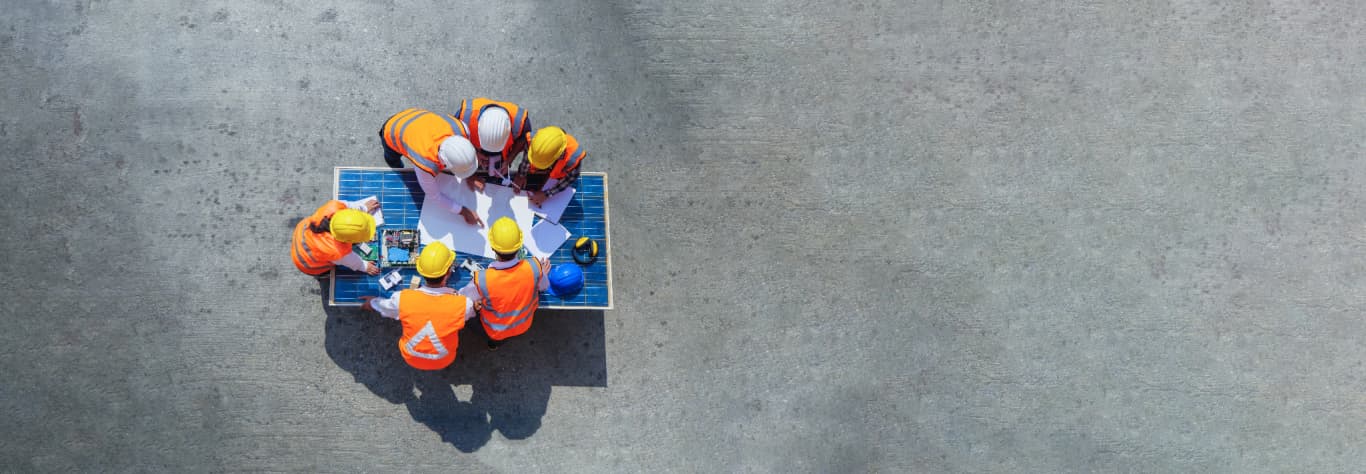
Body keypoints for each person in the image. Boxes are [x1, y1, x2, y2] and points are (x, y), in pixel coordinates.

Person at [360, 242, 479, 370]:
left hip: (410, 357)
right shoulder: (463, 304)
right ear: (449, 272)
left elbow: (385, 307)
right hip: (444, 360)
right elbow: (471, 312)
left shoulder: (403, 299)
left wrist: (372, 303)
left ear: (420, 270)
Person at [380, 108, 483, 227]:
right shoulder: (425, 163)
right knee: (393, 160)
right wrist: (463, 211)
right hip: (392, 129)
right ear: (445, 163)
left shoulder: (462, 130)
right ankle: (397, 168)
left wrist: (470, 173)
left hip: (415, 115)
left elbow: (463, 154)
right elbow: (435, 196)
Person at [459, 217, 549, 350]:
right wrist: (541, 272)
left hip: (496, 331)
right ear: (519, 245)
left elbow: (463, 298)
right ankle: (494, 344)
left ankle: (493, 343)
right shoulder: (534, 267)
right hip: (524, 324)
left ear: (492, 247)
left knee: (467, 316)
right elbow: (544, 286)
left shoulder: (483, 279)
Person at [454, 98, 531, 191]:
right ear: (479, 127)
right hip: (475, 149)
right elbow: (456, 145)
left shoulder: (521, 122)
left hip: (503, 156)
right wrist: (473, 156)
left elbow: (523, 140)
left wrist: (509, 159)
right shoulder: (463, 116)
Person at [291, 200, 382, 276]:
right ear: (348, 241)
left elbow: (350, 207)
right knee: (329, 266)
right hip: (308, 264)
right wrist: (365, 267)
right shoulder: (337, 251)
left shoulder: (334, 207)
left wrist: (364, 208)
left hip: (302, 236)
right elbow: (353, 262)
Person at [514, 126, 586, 206]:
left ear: (559, 156)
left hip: (558, 176)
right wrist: (521, 175)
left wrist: (546, 194)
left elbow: (568, 180)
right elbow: (527, 158)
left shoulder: (573, 159)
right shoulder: (535, 142)